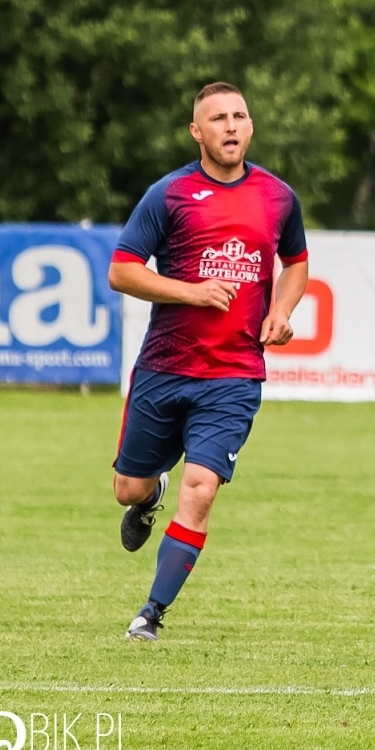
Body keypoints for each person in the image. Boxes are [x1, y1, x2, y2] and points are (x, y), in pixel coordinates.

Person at [108, 82, 309, 641]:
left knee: (202, 485)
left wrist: (282, 310)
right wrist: (190, 292)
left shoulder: (277, 196)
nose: (230, 126)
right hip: (164, 368)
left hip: (234, 376)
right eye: (217, 118)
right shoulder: (168, 194)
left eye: (239, 116)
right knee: (127, 487)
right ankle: (149, 499)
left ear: (250, 126)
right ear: (197, 132)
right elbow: (122, 270)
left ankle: (150, 614)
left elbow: (296, 262)